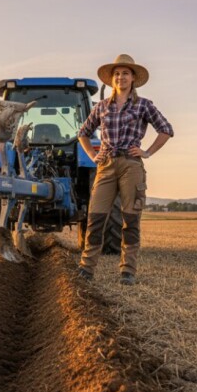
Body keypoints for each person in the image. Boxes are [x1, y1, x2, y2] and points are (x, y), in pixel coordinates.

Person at [77, 54, 174, 286]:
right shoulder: (101, 107)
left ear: (133, 79)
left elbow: (166, 129)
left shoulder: (143, 105)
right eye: (117, 74)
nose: (121, 77)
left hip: (131, 166)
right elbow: (83, 133)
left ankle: (127, 271)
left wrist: (147, 152)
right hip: (106, 165)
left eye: (125, 73)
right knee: (96, 217)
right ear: (112, 80)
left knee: (130, 219)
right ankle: (86, 268)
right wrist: (92, 154)